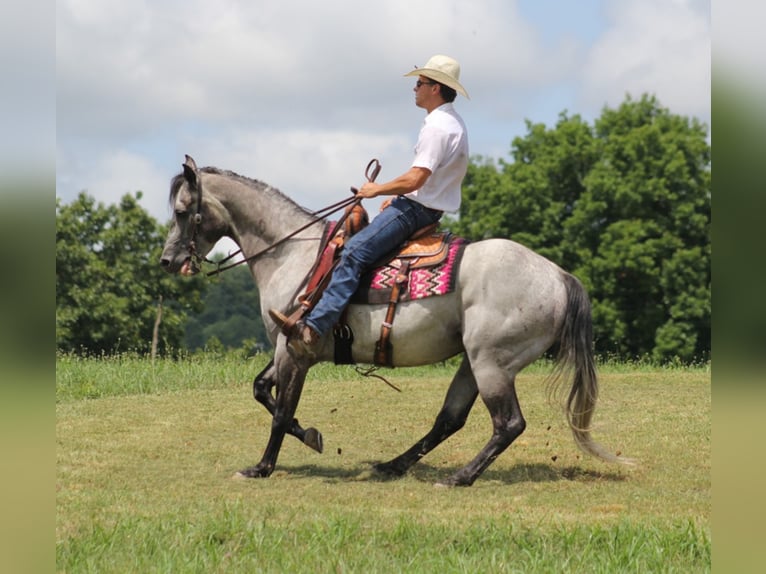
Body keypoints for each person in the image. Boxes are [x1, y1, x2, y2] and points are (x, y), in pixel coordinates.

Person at [270, 54, 470, 356]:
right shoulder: (452, 122)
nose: (414, 87)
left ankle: (313, 329)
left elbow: (417, 177)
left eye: (420, 82)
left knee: (353, 252)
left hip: (416, 211)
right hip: (422, 206)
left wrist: (377, 190)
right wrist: (400, 195)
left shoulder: (437, 127)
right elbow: (426, 181)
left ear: (436, 88)